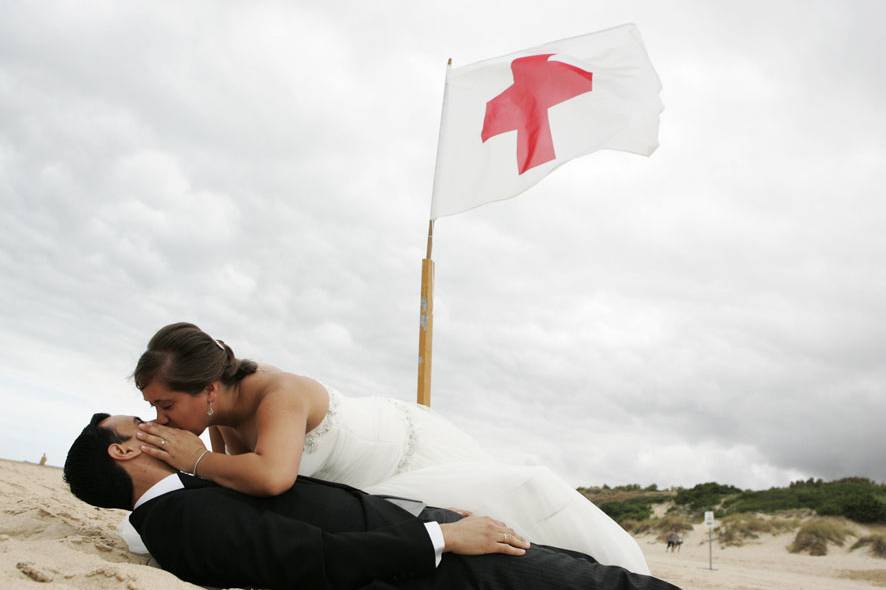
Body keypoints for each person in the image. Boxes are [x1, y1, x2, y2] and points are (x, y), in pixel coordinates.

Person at [130, 322, 648, 572]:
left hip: (393, 451)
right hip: (347, 485)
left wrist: (195, 460)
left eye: (166, 405)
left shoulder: (276, 392)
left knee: (492, 508)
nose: (160, 419)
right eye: (152, 407)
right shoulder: (222, 412)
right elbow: (234, 477)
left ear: (210, 391)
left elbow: (272, 478)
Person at [64, 413, 681, 590]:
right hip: (431, 566)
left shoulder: (185, 499)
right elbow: (311, 559)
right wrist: (444, 540)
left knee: (588, 574)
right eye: (139, 425)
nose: (154, 423)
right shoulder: (177, 517)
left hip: (421, 538)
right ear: (124, 453)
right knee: (600, 586)